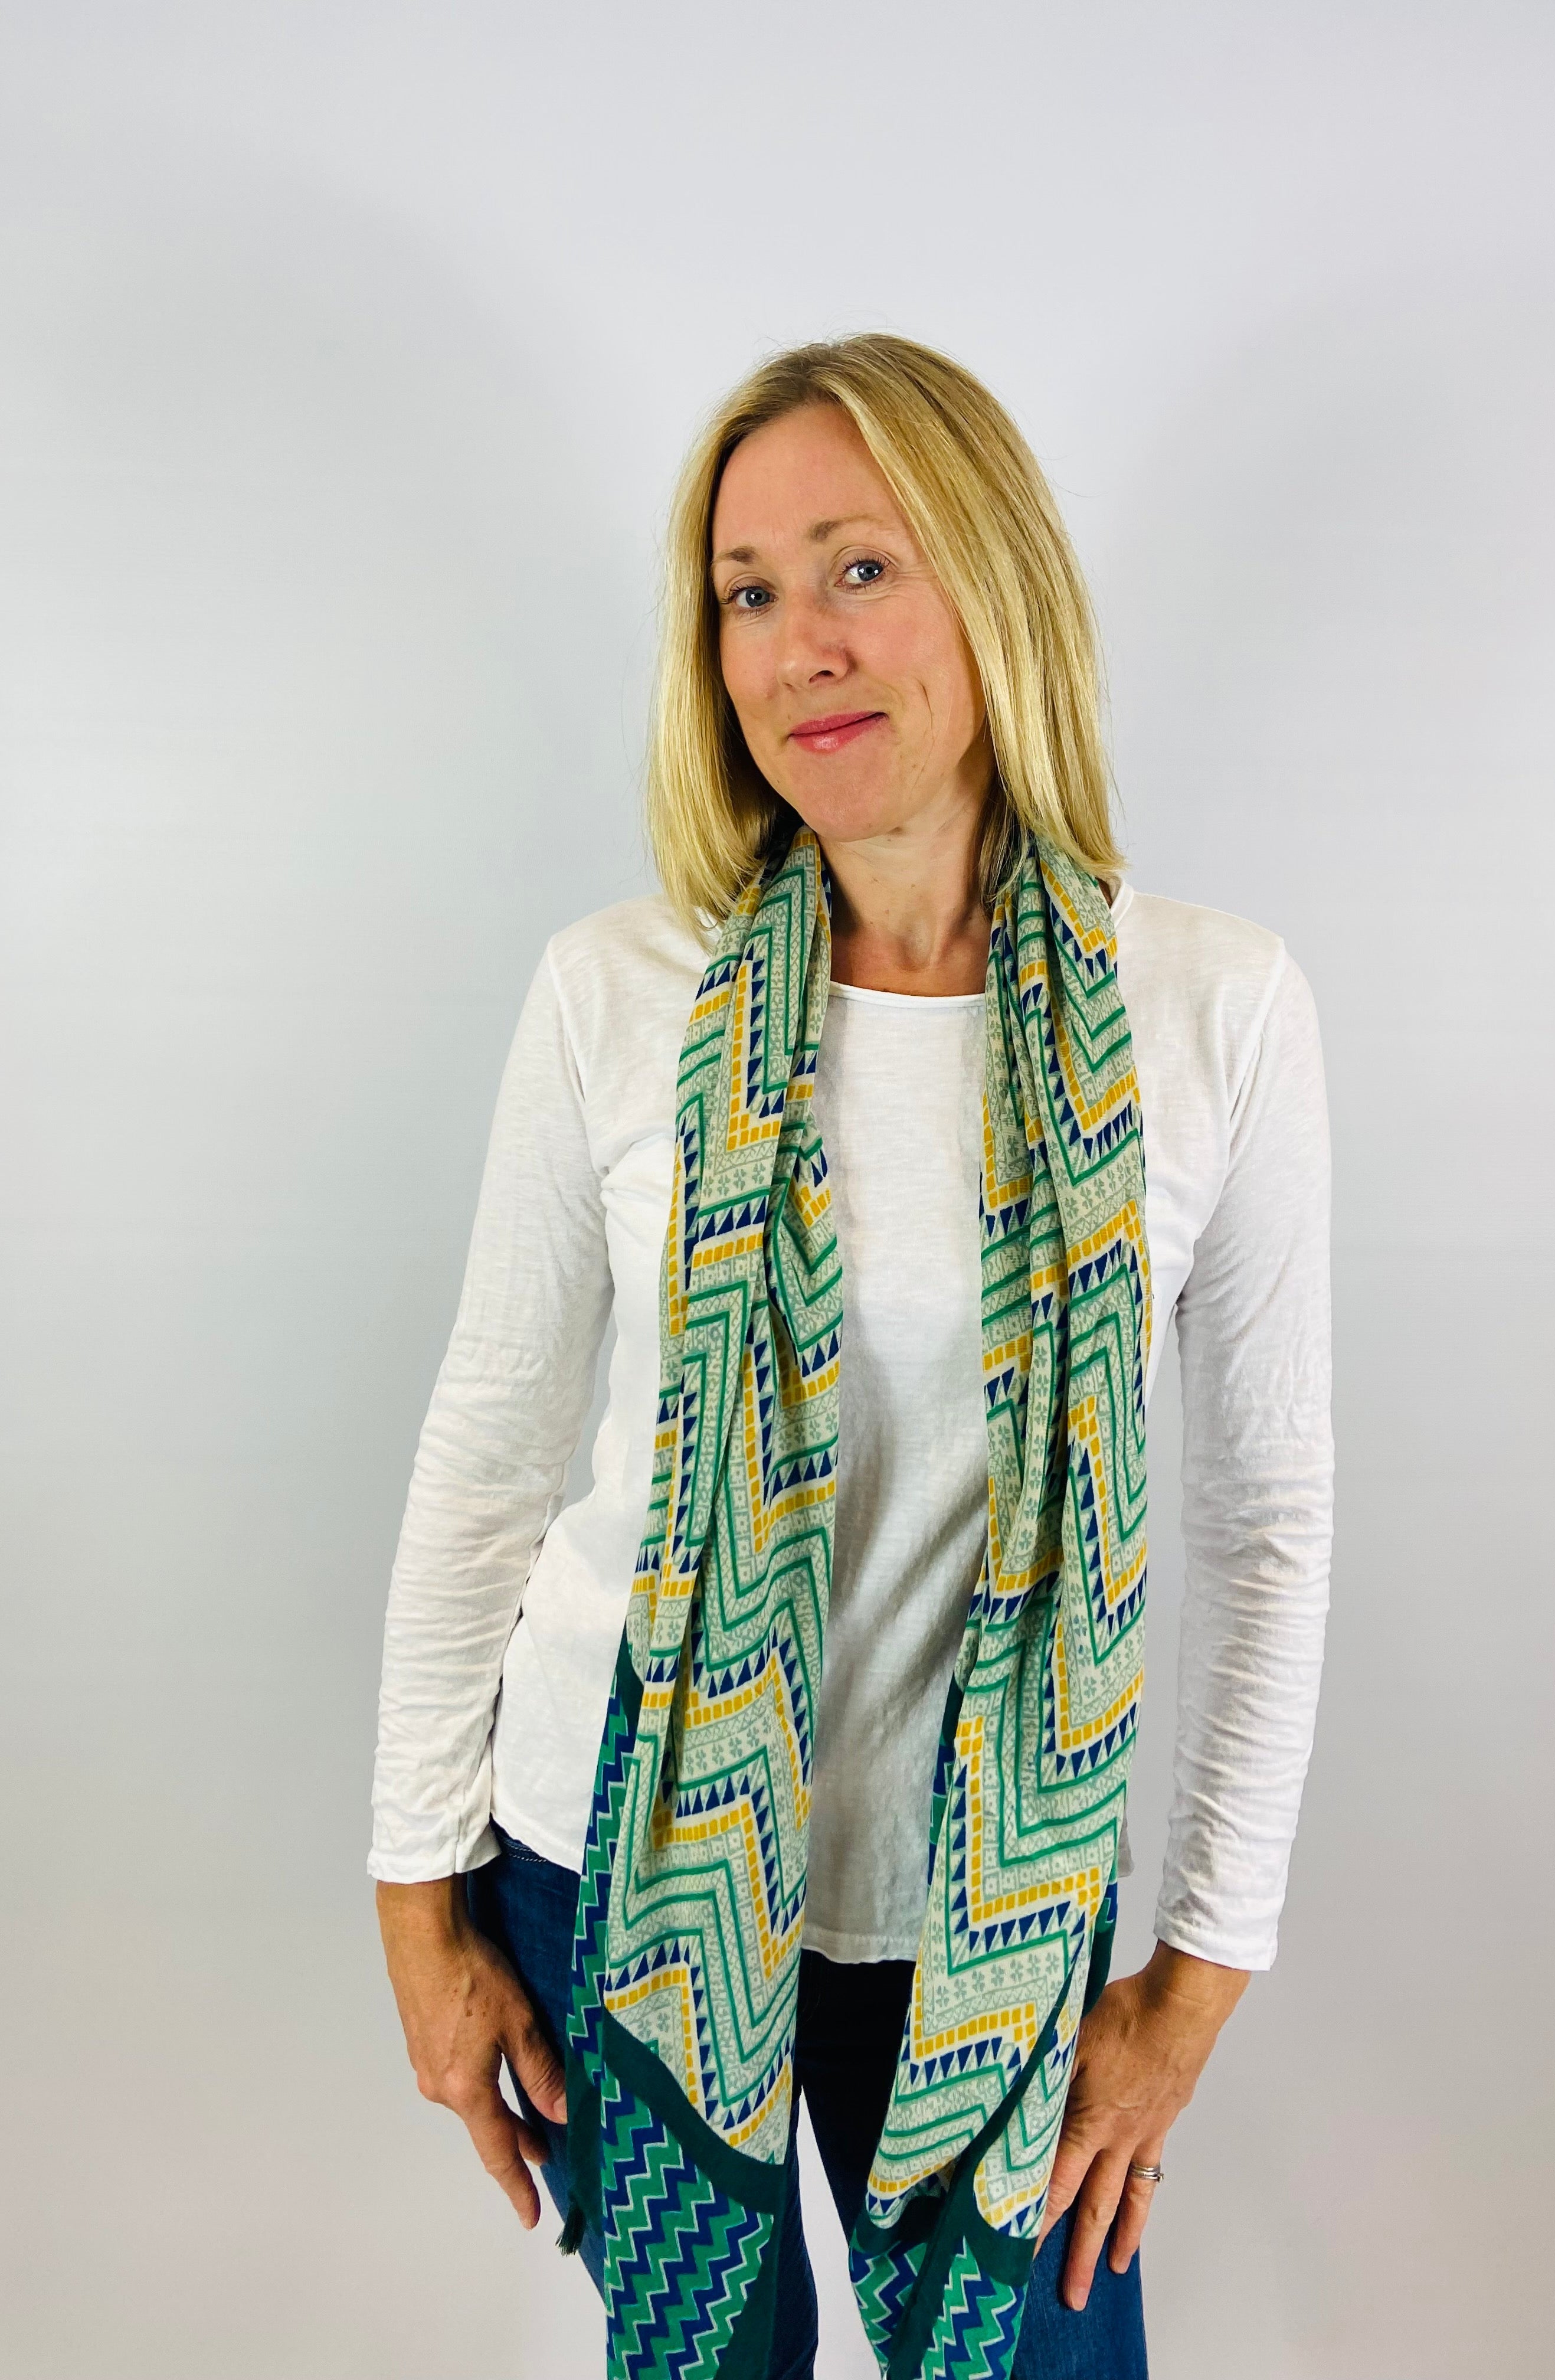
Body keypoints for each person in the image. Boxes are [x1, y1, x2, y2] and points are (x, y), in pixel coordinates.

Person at [371, 334, 1332, 2380]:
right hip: (615, 1858)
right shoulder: (622, 997)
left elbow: (1270, 1531)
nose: (800, 641)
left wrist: (1193, 1984)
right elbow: (488, 1457)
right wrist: (415, 1906)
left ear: (992, 586)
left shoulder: (1207, 1011)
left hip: (987, 1901)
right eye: (747, 592)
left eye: (859, 568)